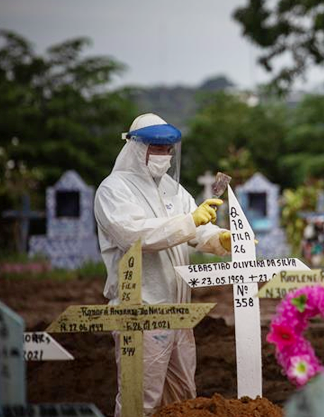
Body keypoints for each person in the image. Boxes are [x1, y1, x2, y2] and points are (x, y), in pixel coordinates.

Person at [94, 113, 231, 416]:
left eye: (168, 149)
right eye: (156, 148)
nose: (164, 155)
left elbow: (196, 226)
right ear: (134, 147)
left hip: (178, 311)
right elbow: (134, 235)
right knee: (139, 400)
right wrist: (189, 221)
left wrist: (220, 239)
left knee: (183, 399)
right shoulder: (114, 190)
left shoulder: (172, 188)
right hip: (142, 311)